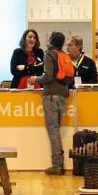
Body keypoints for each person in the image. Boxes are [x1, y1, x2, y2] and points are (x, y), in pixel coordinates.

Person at [28, 31, 73, 175]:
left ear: (51, 40)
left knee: (53, 131)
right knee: (56, 130)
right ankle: (59, 163)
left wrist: (35, 79)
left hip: (51, 95)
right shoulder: (64, 55)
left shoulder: (49, 54)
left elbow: (47, 77)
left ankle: (57, 165)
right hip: (63, 95)